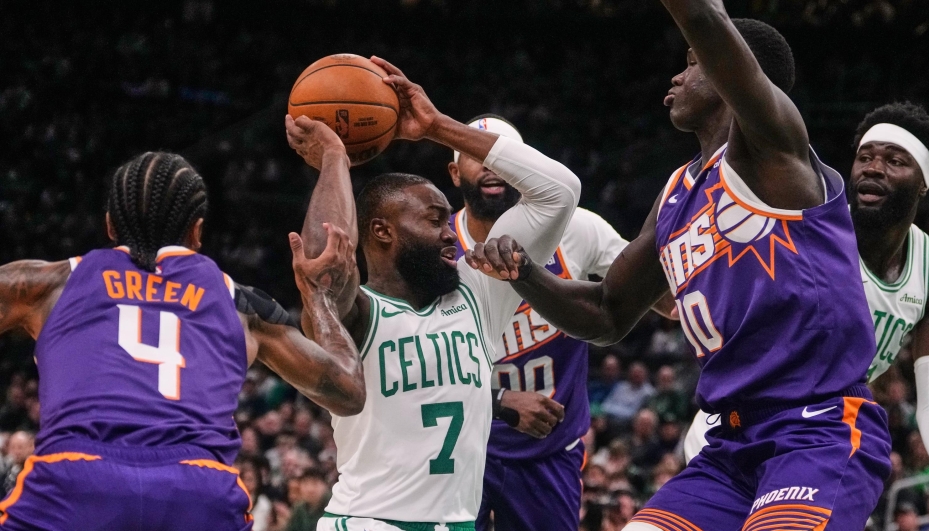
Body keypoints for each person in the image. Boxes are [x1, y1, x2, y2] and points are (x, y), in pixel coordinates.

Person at [464, 5, 892, 530]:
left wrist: (700, 23)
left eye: (692, 63)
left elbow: (708, 18)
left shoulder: (776, 155)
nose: (678, 74)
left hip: (816, 431)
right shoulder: (676, 194)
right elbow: (605, 313)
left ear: (731, 68)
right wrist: (526, 273)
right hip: (729, 447)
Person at [285, 57, 579, 530]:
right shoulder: (359, 311)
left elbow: (560, 191)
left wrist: (436, 126)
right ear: (380, 232)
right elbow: (326, 267)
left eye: (448, 219)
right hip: (369, 522)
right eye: (433, 219)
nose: (450, 233)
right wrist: (335, 160)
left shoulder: (479, 292)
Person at [0, 151, 365, 530]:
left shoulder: (47, 285)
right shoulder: (242, 305)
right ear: (196, 232)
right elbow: (348, 391)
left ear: (110, 225)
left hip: (76, 482)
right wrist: (318, 296)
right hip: (199, 491)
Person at [684, 102, 929, 465]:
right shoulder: (813, 230)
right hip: (743, 425)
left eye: (895, 161)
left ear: (924, 184)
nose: (874, 169)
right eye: (864, 157)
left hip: (821, 436)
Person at [447, 113, 630, 531]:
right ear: (455, 172)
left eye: (501, 154)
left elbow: (657, 296)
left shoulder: (578, 228)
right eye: (477, 155)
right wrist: (498, 402)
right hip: (459, 443)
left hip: (547, 448)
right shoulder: (439, 242)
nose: (491, 164)